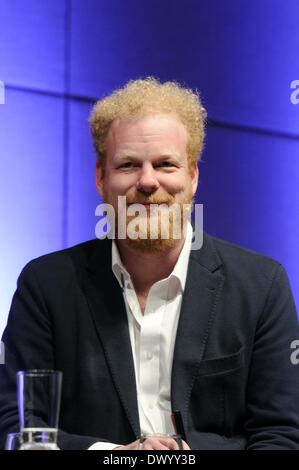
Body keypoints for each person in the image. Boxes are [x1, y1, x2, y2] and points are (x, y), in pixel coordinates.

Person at [0, 78, 299, 450]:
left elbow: (281, 437)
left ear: (192, 177)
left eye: (165, 164)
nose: (147, 181)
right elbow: (15, 426)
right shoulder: (46, 285)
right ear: (100, 178)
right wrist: (115, 457)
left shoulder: (261, 285)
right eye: (128, 165)